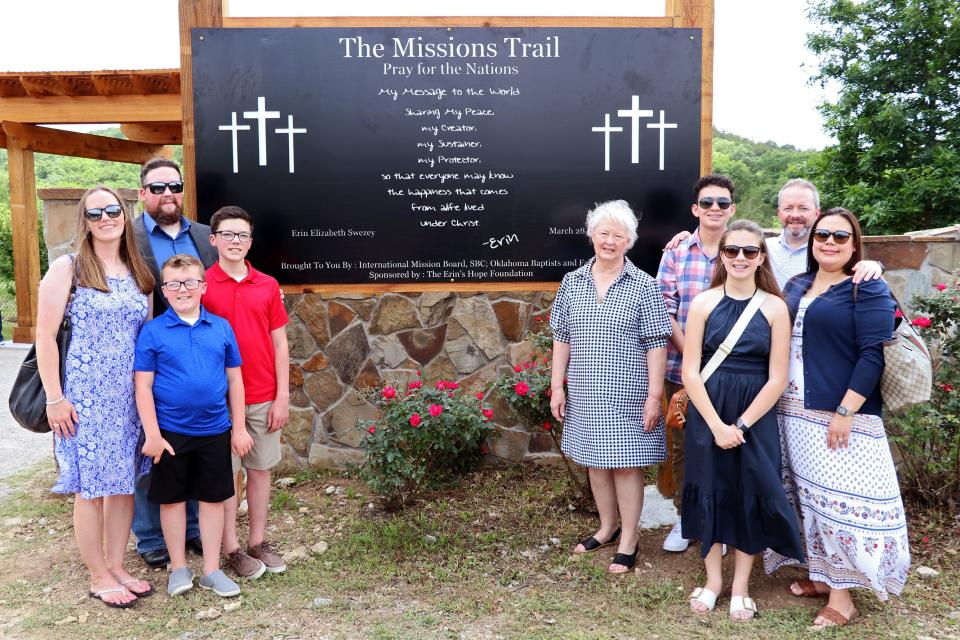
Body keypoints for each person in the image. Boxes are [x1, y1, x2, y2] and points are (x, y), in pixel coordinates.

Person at [657, 176, 884, 553]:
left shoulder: (821, 262)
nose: (796, 216)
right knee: (696, 454)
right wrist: (696, 360)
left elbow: (868, 345)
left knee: (760, 464)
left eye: (804, 209)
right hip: (703, 371)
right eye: (788, 208)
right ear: (777, 213)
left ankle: (762, 537)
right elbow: (667, 306)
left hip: (770, 382)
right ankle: (696, 521)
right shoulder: (703, 251)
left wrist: (869, 262)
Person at [764, 208, 910, 628]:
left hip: (840, 414)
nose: (829, 242)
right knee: (809, 500)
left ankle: (843, 599)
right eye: (822, 234)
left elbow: (872, 355)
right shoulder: (797, 284)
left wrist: (846, 410)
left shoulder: (866, 288)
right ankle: (822, 576)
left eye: (840, 237)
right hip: (793, 412)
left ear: (854, 244)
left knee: (837, 506)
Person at [37, 186, 156, 607]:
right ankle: (97, 574)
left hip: (129, 401)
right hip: (84, 400)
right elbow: (45, 338)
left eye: (112, 210)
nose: (105, 218)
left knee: (122, 485)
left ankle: (117, 564)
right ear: (84, 222)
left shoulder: (137, 270)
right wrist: (55, 397)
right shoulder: (67, 268)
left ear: (124, 215)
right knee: (91, 489)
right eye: (95, 213)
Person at [680, 220, 804, 620]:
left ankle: (740, 586)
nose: (739, 258)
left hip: (756, 416)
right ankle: (713, 580)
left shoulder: (775, 307)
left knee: (749, 493)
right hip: (708, 411)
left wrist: (742, 426)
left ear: (761, 257)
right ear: (722, 254)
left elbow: (778, 377)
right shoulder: (702, 303)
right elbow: (690, 371)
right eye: (732, 250)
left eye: (749, 251)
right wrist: (716, 425)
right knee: (711, 490)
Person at [549, 200, 671, 574]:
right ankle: (607, 527)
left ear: (629, 242)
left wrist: (654, 396)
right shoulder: (572, 282)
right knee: (594, 464)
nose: (610, 241)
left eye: (619, 235)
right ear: (591, 236)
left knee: (625, 467)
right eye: (604, 233)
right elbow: (562, 337)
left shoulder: (645, 286)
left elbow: (657, 343)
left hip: (628, 395)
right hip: (585, 393)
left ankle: (630, 539)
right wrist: (557, 386)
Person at [134, 254, 253, 597]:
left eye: (189, 282)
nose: (182, 289)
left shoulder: (221, 327)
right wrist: (153, 435)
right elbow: (142, 385)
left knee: (213, 499)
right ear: (164, 290)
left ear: (202, 286)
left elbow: (235, 381)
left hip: (215, 429)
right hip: (170, 433)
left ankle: (212, 570)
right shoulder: (153, 331)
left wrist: (240, 427)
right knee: (171, 500)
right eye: (173, 284)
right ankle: (179, 568)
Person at [131, 157, 217, 567]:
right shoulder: (126, 236)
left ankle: (196, 529)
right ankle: (150, 537)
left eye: (174, 186)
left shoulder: (203, 235)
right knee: (152, 447)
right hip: (147, 354)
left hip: (197, 356)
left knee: (195, 443)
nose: (168, 194)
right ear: (143, 193)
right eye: (158, 187)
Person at [202, 206, 290, 579]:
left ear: (250, 241)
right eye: (228, 234)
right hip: (218, 400)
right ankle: (232, 549)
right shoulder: (202, 285)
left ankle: (257, 542)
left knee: (260, 471)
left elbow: (280, 343)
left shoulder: (267, 285)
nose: (235, 241)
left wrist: (282, 395)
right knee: (227, 477)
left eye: (242, 235)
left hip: (264, 394)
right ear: (214, 239)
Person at [656, 174, 738, 553]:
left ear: (732, 209)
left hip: (731, 371)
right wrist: (692, 355)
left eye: (722, 203)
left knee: (725, 442)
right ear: (696, 209)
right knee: (684, 445)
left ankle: (718, 521)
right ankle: (686, 519)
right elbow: (664, 308)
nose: (715, 209)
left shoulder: (742, 251)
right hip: (681, 369)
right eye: (707, 203)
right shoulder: (675, 252)